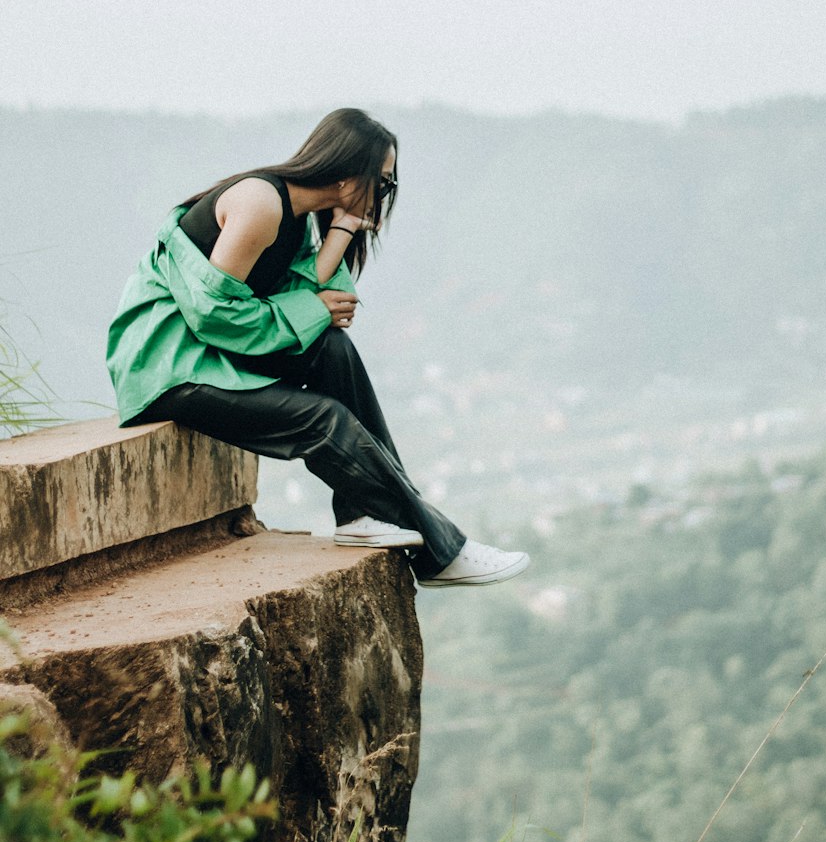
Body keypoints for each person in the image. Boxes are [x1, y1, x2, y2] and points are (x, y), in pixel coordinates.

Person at [106, 107, 529, 588]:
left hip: (214, 359)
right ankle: (440, 552)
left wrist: (344, 227)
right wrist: (316, 309)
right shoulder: (260, 203)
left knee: (333, 350)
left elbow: (321, 297)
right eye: (384, 181)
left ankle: (359, 516)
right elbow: (214, 314)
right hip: (169, 367)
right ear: (350, 174)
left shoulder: (299, 216)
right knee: (324, 418)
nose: (387, 193)